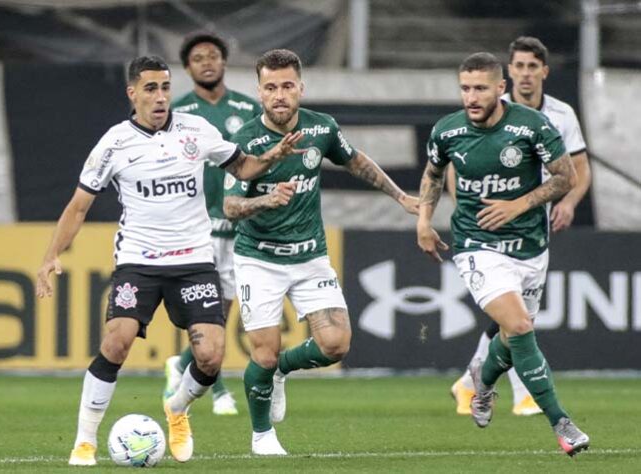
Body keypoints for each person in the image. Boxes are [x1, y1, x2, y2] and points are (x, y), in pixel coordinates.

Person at [35, 55, 303, 466]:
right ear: (133, 93)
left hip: (195, 260)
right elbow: (78, 207)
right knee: (117, 340)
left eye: (164, 88)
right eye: (150, 89)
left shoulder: (196, 130)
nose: (160, 97)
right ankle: (84, 441)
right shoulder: (115, 142)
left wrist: (272, 157)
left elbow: (242, 167)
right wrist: (51, 255)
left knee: (211, 356)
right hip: (138, 262)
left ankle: (177, 409)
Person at [223, 49, 419, 455]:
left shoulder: (321, 129)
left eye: (287, 86)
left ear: (301, 88)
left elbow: (356, 161)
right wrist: (265, 201)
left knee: (335, 345)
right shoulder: (245, 141)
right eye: (271, 87)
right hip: (259, 258)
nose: (280, 95)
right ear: (259, 92)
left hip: (309, 256)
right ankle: (262, 437)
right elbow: (230, 208)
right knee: (263, 349)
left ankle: (281, 371)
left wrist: (400, 196)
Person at [417, 51, 589, 456]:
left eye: (480, 88)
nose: (471, 97)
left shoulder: (532, 126)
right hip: (477, 247)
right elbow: (433, 172)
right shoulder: (448, 131)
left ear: (500, 88)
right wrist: (423, 221)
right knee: (521, 328)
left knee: (512, 339)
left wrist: (519, 204)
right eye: (465, 88)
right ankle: (561, 424)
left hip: (530, 248)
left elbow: (568, 176)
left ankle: (483, 380)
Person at [162, 31, 262, 417]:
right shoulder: (177, 113)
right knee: (209, 313)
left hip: (237, 224)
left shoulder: (247, 108)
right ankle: (217, 390)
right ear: (188, 68)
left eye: (213, 56)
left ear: (223, 62)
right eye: (198, 57)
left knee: (223, 311)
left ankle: (180, 364)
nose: (207, 62)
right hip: (197, 226)